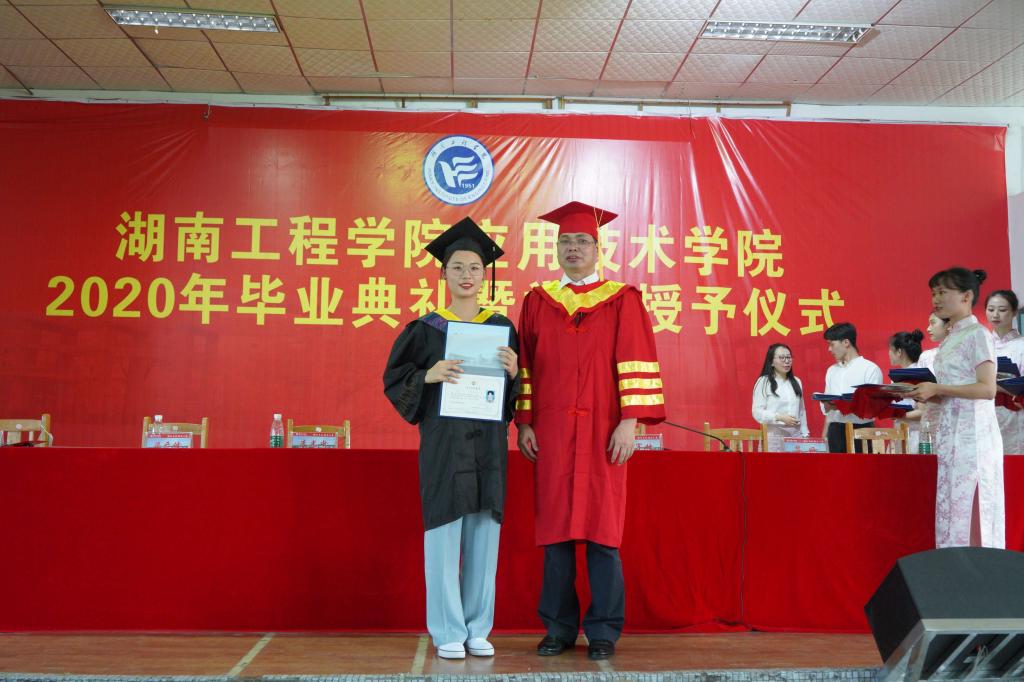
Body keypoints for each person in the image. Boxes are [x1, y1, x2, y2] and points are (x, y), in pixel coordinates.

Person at [515, 201, 665, 661]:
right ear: (556, 248)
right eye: (565, 241)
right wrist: (525, 422)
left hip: (604, 432)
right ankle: (559, 628)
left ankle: (603, 630)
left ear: (598, 249)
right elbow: (525, 366)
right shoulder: (538, 301)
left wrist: (629, 422)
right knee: (556, 535)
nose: (573, 248)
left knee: (603, 535)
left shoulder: (622, 299)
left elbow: (636, 359)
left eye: (582, 241)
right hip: (553, 431)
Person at [383, 218, 520, 660]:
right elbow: (395, 380)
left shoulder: (501, 328)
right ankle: (446, 630)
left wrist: (515, 373)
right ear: (443, 273)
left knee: (484, 531)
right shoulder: (424, 329)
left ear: (485, 275)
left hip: (487, 444)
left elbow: (516, 396)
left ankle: (478, 627)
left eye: (475, 268)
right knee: (443, 533)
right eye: (457, 267)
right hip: (444, 443)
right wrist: (429, 374)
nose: (466, 275)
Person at [908, 267, 1004, 549]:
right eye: (933, 293)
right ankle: (954, 565)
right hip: (950, 435)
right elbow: (953, 391)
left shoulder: (978, 334)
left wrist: (938, 389)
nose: (936, 299)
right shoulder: (950, 340)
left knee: (974, 510)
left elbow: (987, 389)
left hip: (974, 438)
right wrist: (928, 393)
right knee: (951, 509)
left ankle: (978, 569)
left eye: (942, 292)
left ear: (966, 296)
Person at [820, 322, 883, 452]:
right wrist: (824, 436)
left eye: (832, 344)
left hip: (862, 431)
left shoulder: (870, 369)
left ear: (846, 342)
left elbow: (873, 408)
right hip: (835, 430)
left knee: (862, 465)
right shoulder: (831, 370)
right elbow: (828, 411)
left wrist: (846, 405)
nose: (829, 349)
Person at [985, 289, 1023, 455]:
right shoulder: (981, 345)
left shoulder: (1021, 345)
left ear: (1014, 312)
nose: (995, 315)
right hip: (984, 412)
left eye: (1002, 310)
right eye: (991, 309)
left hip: (1014, 414)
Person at [751, 343, 808, 451]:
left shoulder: (797, 381)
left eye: (788, 357)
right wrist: (780, 417)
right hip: (773, 437)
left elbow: (801, 411)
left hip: (795, 438)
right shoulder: (763, 382)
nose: (786, 361)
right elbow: (757, 412)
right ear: (772, 362)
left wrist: (805, 434)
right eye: (781, 357)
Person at [888, 330, 925, 453]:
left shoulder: (918, 375)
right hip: (899, 434)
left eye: (890, 349)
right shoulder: (897, 376)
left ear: (899, 352)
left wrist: (898, 415)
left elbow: (923, 412)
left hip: (914, 437)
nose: (889, 353)